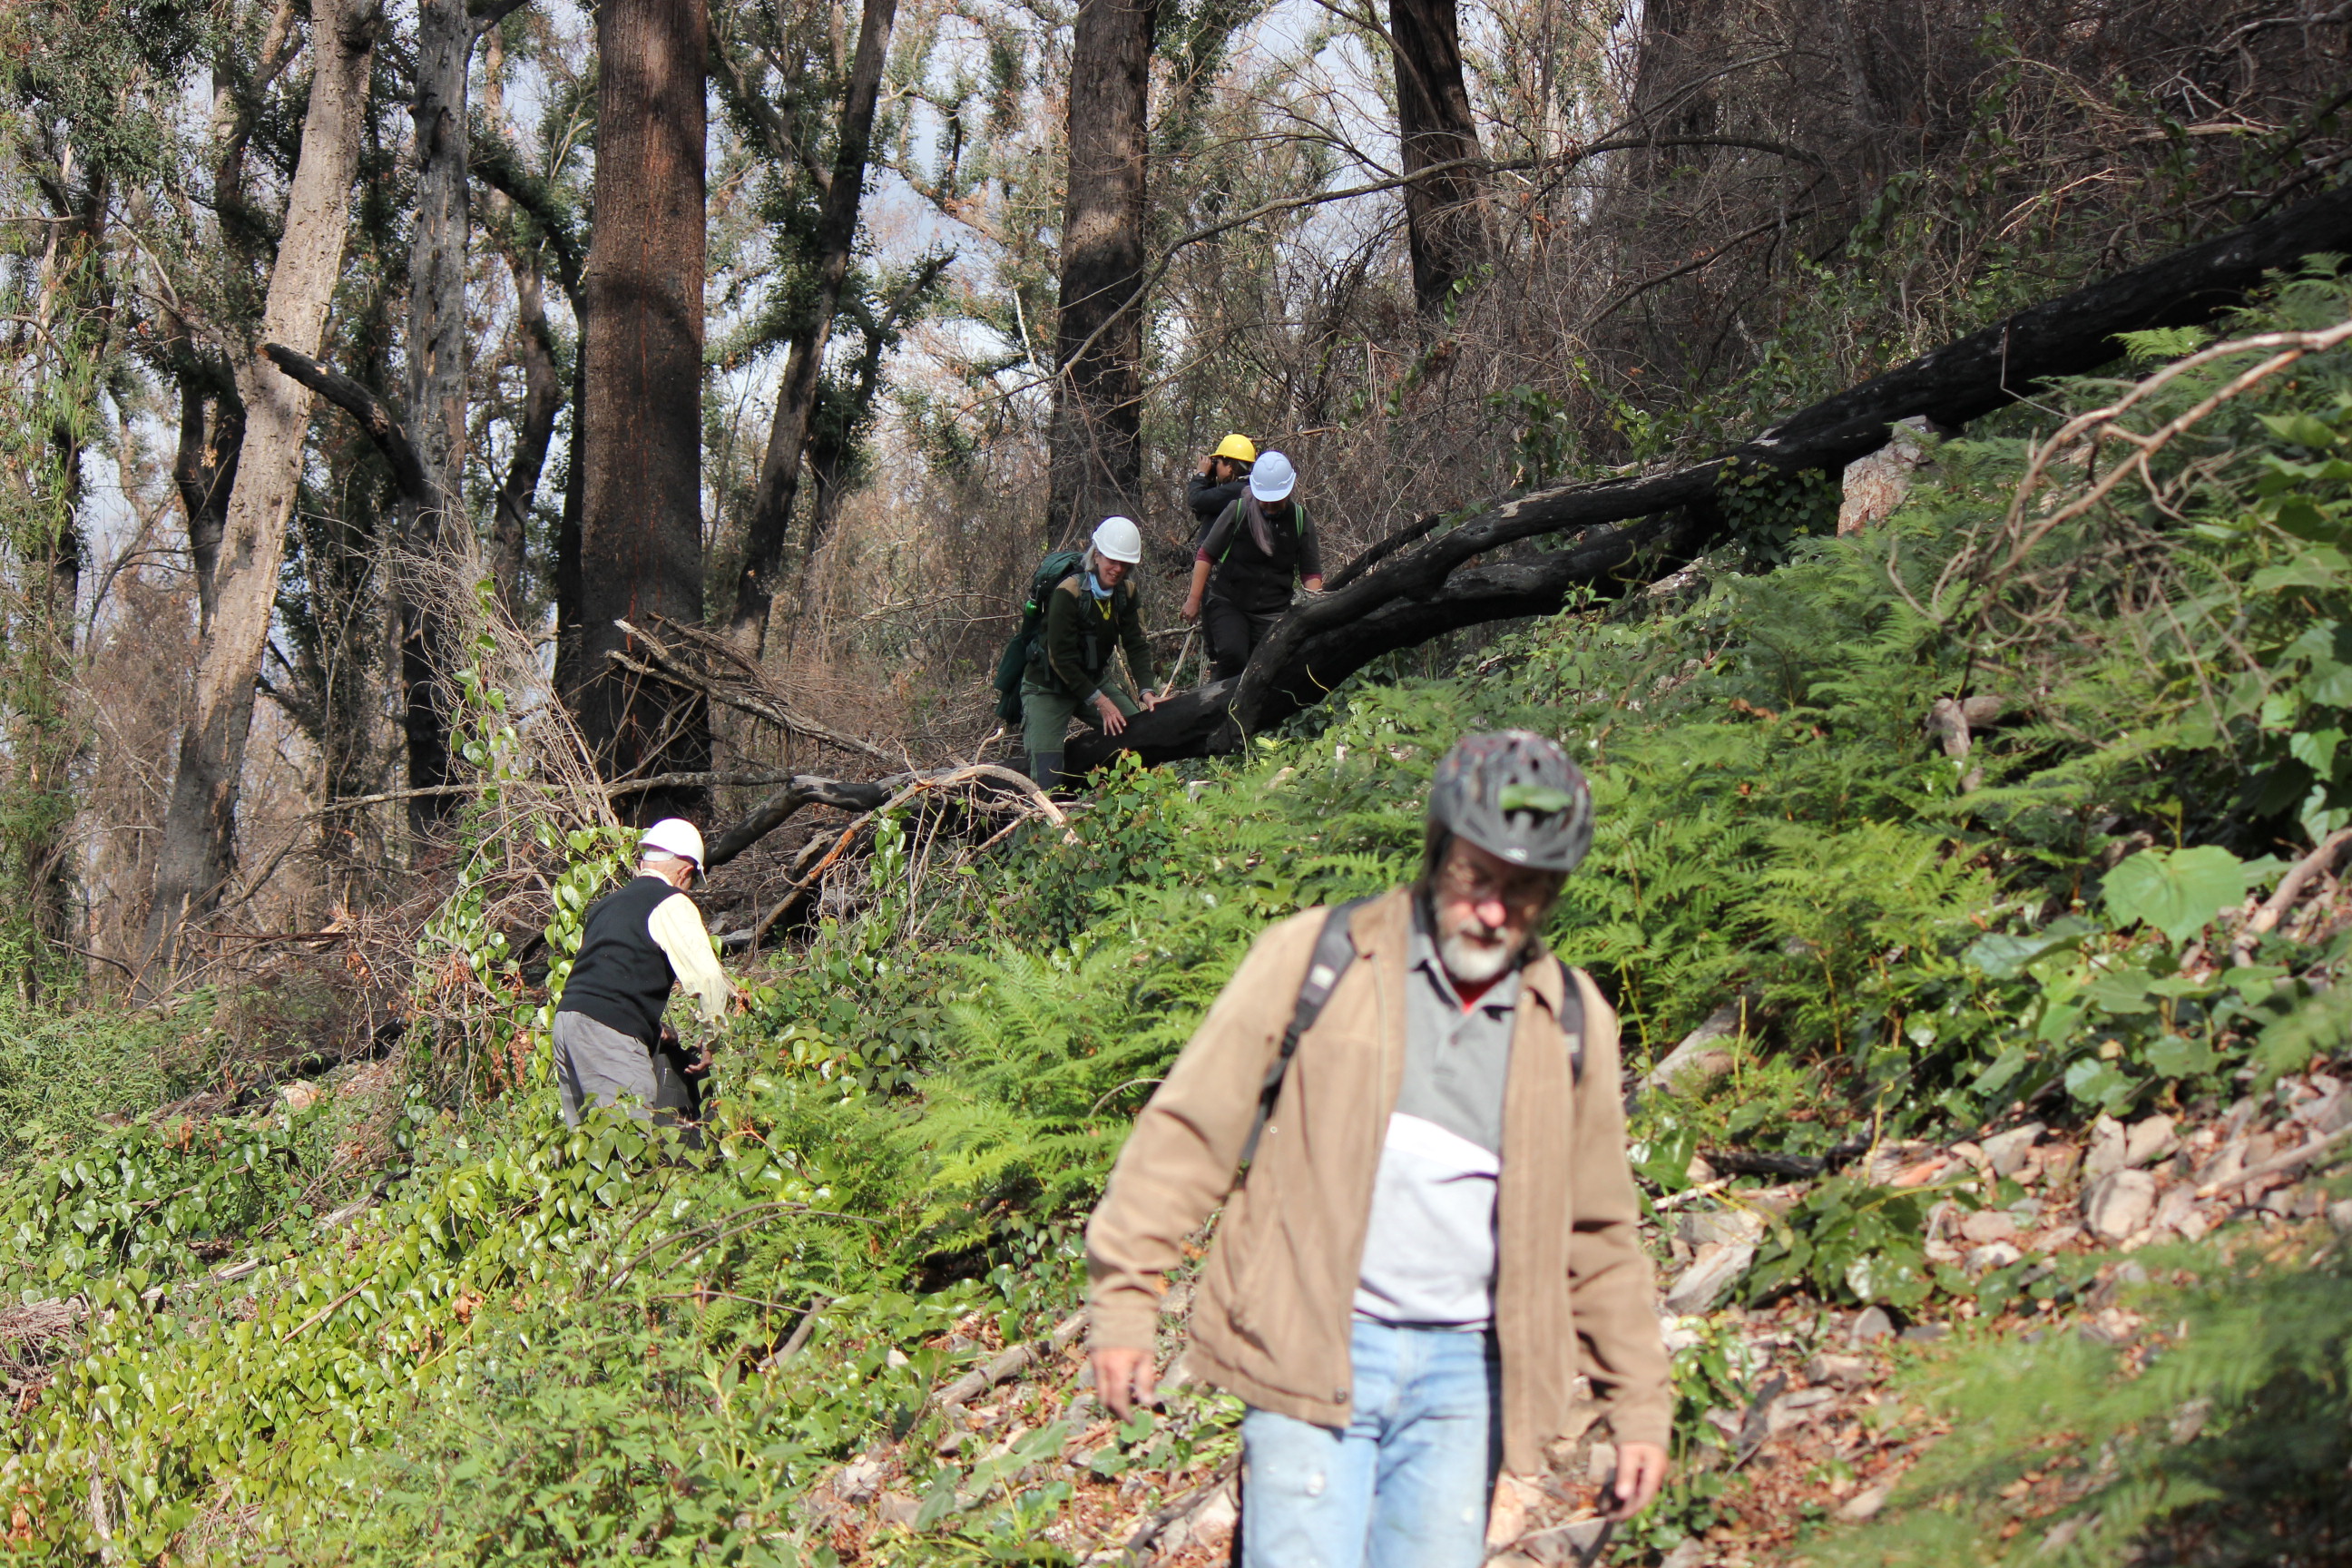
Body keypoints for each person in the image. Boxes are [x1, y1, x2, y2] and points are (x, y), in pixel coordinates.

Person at [1084, 732, 1672, 1568]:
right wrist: (1124, 1303)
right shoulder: (1320, 959)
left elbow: (1600, 1234)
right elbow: (1189, 1132)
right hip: (1311, 1346)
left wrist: (1639, 1405)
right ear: (1437, 853)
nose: (1496, 908)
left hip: (1468, 1378)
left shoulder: (1571, 1022)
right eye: (1478, 876)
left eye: (1526, 889)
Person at [552, 818, 740, 1135]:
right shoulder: (671, 901)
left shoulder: (604, 905)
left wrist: (652, 1029)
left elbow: (611, 978)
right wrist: (711, 1041)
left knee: (589, 1146)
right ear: (685, 872)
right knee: (630, 1144)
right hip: (608, 1034)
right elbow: (707, 978)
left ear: (643, 862)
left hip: (566, 1025)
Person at [1020, 515, 1160, 788]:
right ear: (1096, 556)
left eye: (1124, 563)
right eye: (1112, 561)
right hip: (1049, 688)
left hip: (1092, 680)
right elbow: (1060, 659)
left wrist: (1147, 691)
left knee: (1139, 740)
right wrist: (1102, 702)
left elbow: (1136, 643)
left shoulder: (1127, 593)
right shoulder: (1068, 592)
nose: (1117, 569)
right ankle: (1042, 826)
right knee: (1047, 781)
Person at [1182, 449, 1325, 681]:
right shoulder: (1238, 510)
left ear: (1287, 492)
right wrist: (1193, 599)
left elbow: (1310, 572)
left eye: (1275, 502)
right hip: (1230, 603)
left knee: (1269, 669)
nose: (1269, 507)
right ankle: (1215, 708)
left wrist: (1315, 612)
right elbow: (1206, 554)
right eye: (1264, 502)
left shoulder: (1300, 520)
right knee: (1232, 655)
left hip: (1274, 611)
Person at [1188, 433, 1258, 540]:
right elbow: (1202, 510)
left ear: (1229, 466)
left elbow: (1195, 500)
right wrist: (1210, 479)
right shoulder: (1246, 488)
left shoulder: (1237, 490)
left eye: (1218, 462)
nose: (1216, 467)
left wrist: (1201, 475)